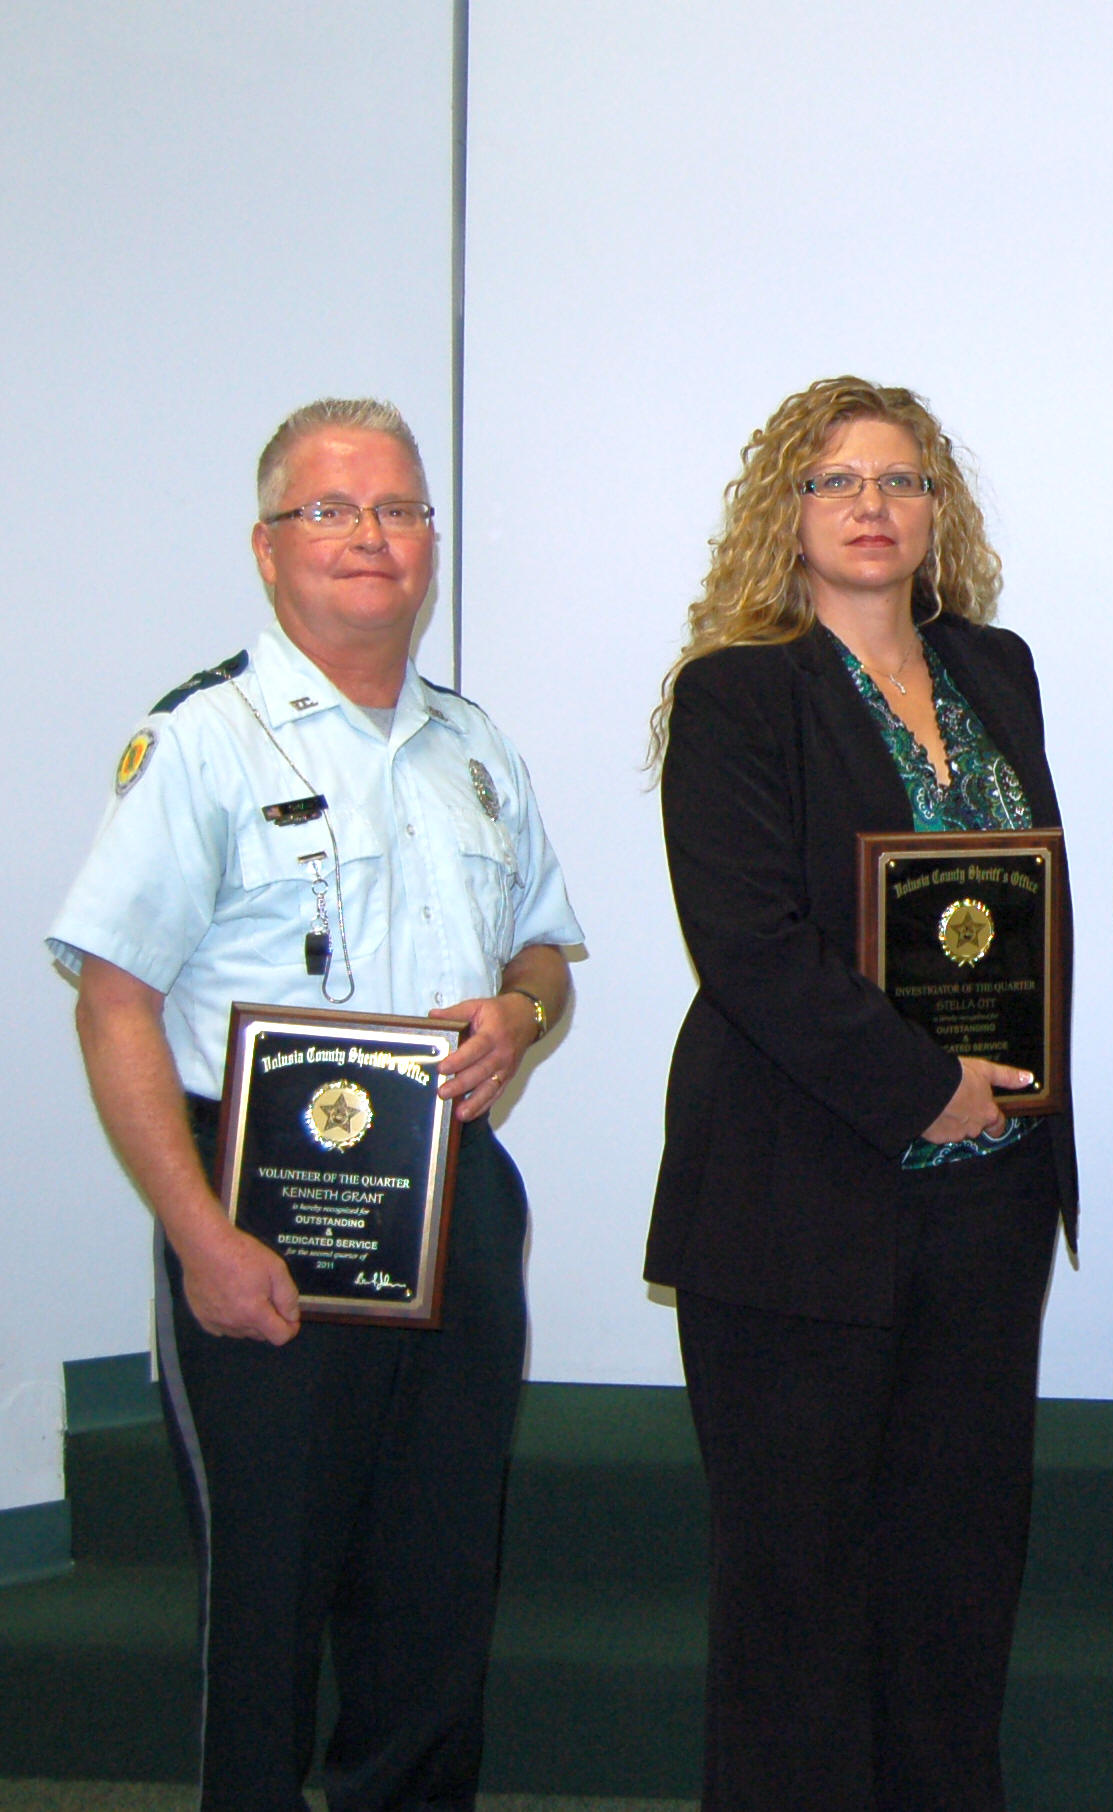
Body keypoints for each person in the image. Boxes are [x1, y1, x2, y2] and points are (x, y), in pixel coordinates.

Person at [48, 397, 582, 1810]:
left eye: (400, 510)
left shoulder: (477, 749)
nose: (371, 538)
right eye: (332, 510)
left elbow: (543, 951)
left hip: (452, 1204)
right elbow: (111, 1001)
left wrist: (519, 1013)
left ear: (432, 545)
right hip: (257, 1216)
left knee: (435, 1594)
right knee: (270, 1604)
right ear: (268, 547)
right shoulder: (203, 743)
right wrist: (199, 1237)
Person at [645, 377, 1076, 1811]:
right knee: (797, 1601)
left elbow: (1027, 911)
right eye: (838, 481)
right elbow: (750, 947)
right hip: (798, 1207)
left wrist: (1002, 1100)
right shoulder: (737, 692)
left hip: (987, 1211)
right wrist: (920, 1090)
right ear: (790, 512)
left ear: (937, 512)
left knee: (958, 1583)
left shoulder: (995, 670)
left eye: (901, 481)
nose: (873, 507)